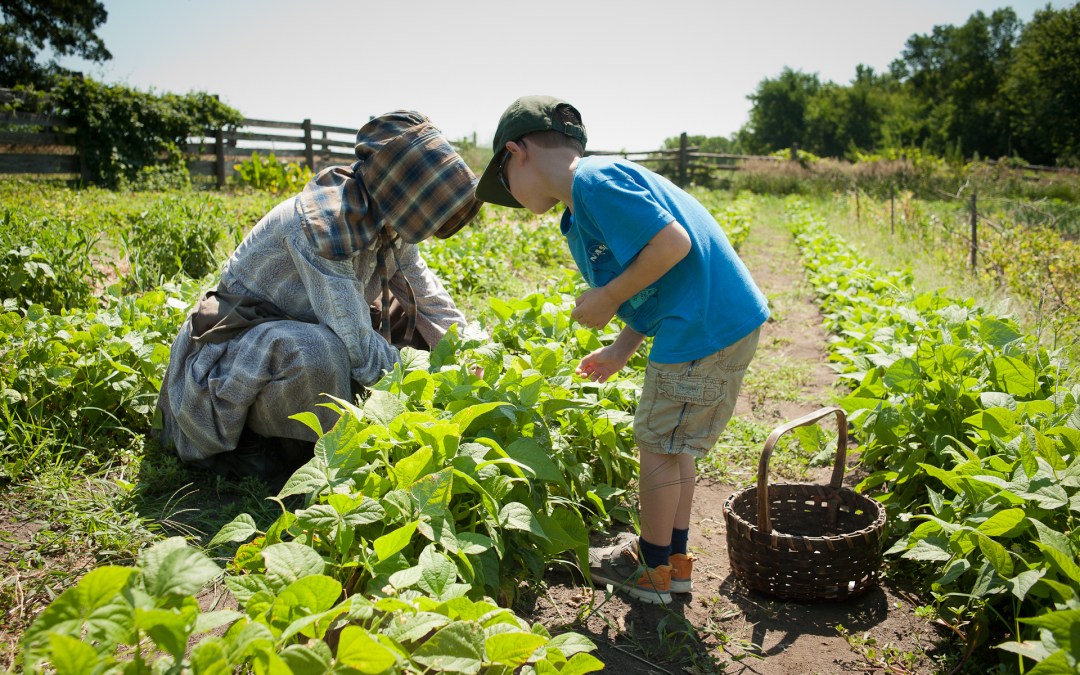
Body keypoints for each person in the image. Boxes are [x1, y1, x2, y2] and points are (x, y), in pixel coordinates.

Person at [474, 96, 769, 604]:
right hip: (713, 321)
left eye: (504, 180)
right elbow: (655, 280)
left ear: (516, 152)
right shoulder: (585, 204)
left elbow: (672, 245)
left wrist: (608, 297)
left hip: (702, 326)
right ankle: (673, 562)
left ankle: (651, 568)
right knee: (674, 446)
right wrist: (622, 346)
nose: (511, 196)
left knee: (657, 443)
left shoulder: (594, 182)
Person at [155, 110, 483, 485]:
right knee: (321, 350)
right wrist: (428, 390)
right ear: (402, 193)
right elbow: (357, 345)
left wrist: (468, 353)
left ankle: (301, 438)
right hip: (230, 354)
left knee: (405, 324)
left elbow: (429, 299)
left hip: (281, 341)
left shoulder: (387, 220)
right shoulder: (323, 226)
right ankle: (253, 443)